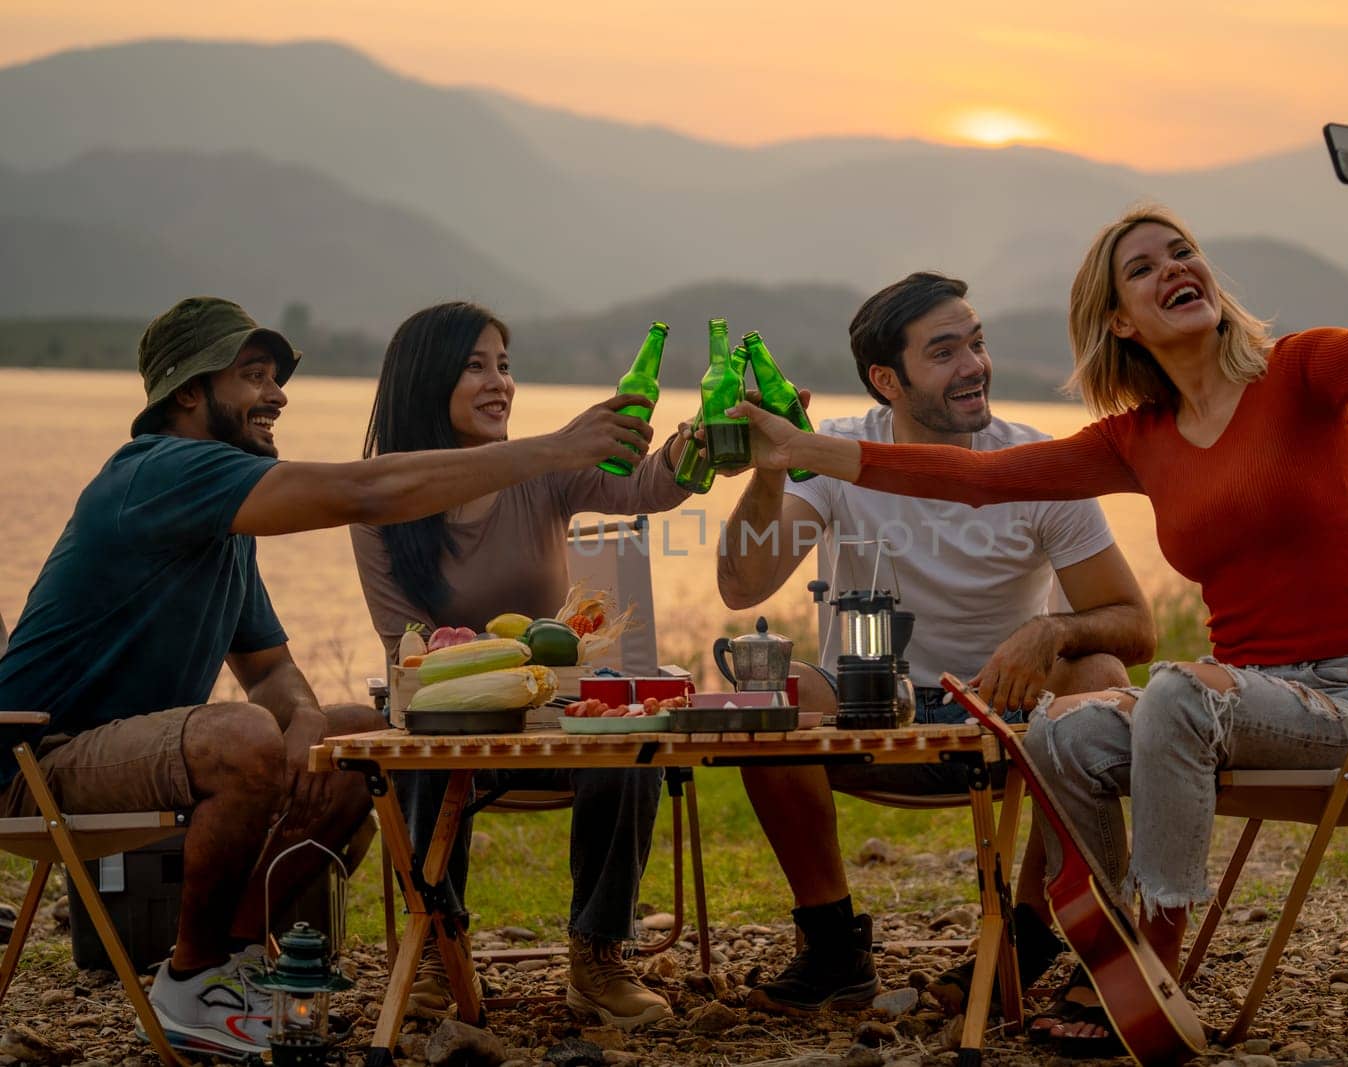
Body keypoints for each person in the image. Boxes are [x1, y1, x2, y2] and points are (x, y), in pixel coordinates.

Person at [731, 127, 1348, 1054]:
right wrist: (797, 451)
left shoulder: (1302, 371)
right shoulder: (1136, 437)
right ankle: (1093, 943)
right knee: (1066, 728)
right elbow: (976, 478)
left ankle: (1150, 959)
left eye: (1180, 252)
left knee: (1175, 693)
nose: (1172, 268)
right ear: (1121, 321)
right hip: (1247, 698)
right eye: (1143, 269)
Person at [0, 296, 660, 1058]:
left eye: (277, 378)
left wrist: (308, 726)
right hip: (36, 759)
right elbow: (363, 491)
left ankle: (240, 958)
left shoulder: (222, 524)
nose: (277, 395)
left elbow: (272, 669)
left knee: (359, 736)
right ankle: (192, 975)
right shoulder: (159, 473)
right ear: (187, 392)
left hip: (117, 755)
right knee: (243, 735)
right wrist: (553, 448)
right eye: (253, 376)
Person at [717, 272, 1155, 1014]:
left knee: (1101, 671)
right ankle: (832, 948)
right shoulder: (838, 453)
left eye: (977, 343)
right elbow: (742, 584)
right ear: (887, 380)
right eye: (945, 351)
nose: (975, 365)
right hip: (867, 705)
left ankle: (1027, 932)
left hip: (1008, 718)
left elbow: (1135, 623)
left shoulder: (1034, 464)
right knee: (767, 682)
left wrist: (1049, 629)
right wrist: (769, 470)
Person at [350, 301, 695, 1030]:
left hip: (553, 720)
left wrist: (694, 452)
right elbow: (404, 649)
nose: (498, 382)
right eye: (475, 365)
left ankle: (597, 956)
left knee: (626, 728)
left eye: (504, 364)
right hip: (452, 726)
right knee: (416, 734)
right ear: (424, 381)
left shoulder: (544, 475)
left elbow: (645, 488)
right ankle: (439, 951)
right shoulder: (381, 495)